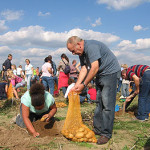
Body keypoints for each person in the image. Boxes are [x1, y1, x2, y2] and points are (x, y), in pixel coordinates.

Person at [67, 36, 120, 145]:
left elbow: (94, 68)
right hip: (101, 75)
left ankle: (106, 134)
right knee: (99, 103)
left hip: (110, 73)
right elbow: (84, 69)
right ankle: (98, 129)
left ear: (79, 45)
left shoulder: (91, 47)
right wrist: (76, 85)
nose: (73, 53)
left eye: (73, 50)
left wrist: (84, 84)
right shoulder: (82, 53)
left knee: (107, 105)